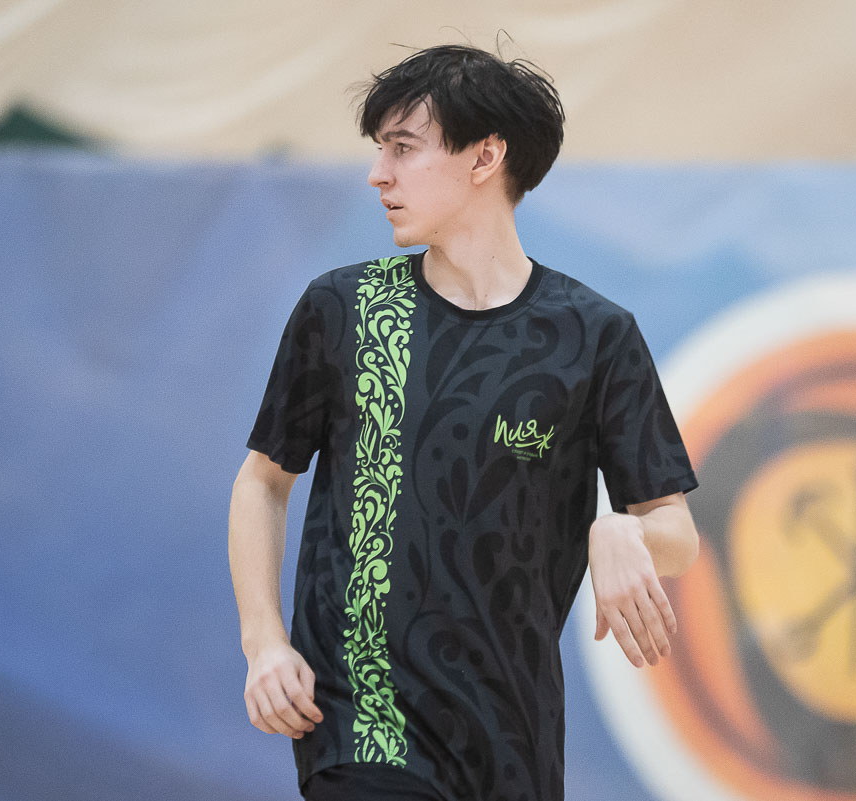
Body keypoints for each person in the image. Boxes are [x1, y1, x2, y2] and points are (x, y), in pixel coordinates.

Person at [228, 43, 699, 801]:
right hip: (361, 726)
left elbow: (677, 532)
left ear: (485, 157)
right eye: (379, 149)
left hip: (515, 740)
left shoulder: (594, 335)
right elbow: (262, 482)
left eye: (403, 148)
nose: (378, 174)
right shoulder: (342, 308)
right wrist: (264, 644)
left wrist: (625, 531)